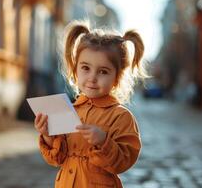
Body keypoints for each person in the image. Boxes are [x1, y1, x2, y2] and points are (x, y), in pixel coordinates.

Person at [34, 20, 148, 188]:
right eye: (86, 68)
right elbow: (57, 159)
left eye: (103, 71)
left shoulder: (121, 116)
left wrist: (103, 141)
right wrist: (48, 135)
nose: (92, 78)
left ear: (117, 78)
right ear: (75, 69)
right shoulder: (67, 110)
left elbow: (124, 162)